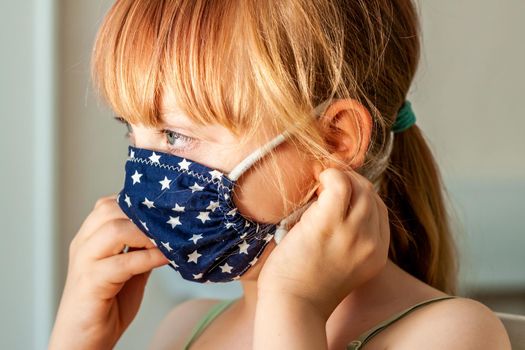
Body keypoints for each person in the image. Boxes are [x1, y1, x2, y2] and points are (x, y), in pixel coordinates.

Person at [49, 1, 511, 349]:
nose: (145, 177)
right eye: (132, 132)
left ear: (334, 141)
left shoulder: (449, 335)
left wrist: (295, 309)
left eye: (175, 136)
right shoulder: (186, 329)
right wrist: (77, 340)